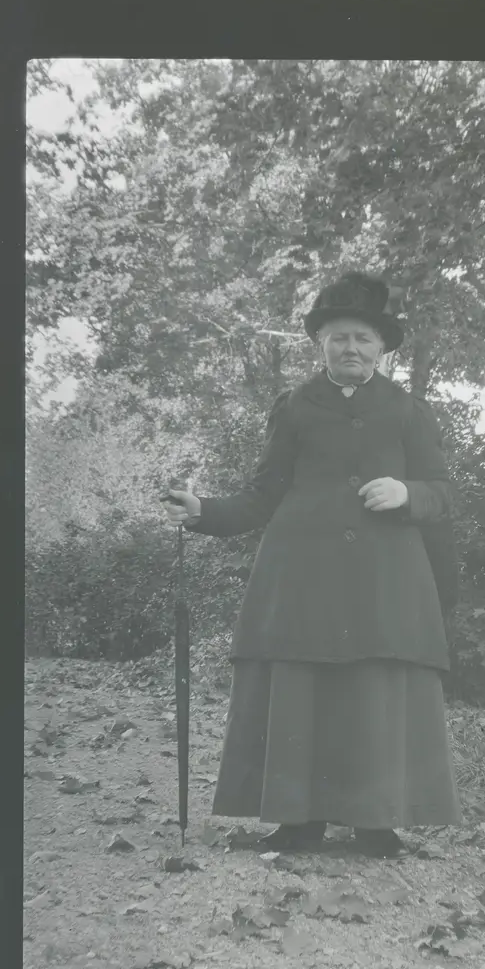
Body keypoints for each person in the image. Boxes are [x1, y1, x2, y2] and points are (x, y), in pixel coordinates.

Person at [163, 272, 460, 858]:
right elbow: (262, 495)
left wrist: (408, 493)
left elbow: (445, 494)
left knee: (372, 690)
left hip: (384, 580)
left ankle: (375, 822)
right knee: (301, 691)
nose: (351, 348)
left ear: (382, 347)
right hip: (300, 575)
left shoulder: (409, 412)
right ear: (320, 343)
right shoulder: (294, 407)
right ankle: (298, 822)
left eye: (363, 339)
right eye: (339, 337)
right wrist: (203, 511)